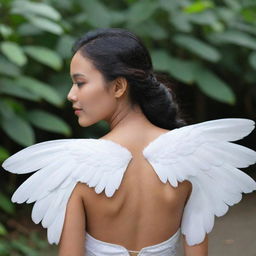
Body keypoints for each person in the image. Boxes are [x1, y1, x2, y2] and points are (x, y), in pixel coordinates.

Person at [2, 28, 256, 256]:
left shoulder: (74, 168)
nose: (71, 94)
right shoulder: (193, 158)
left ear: (118, 86)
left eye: (80, 82)